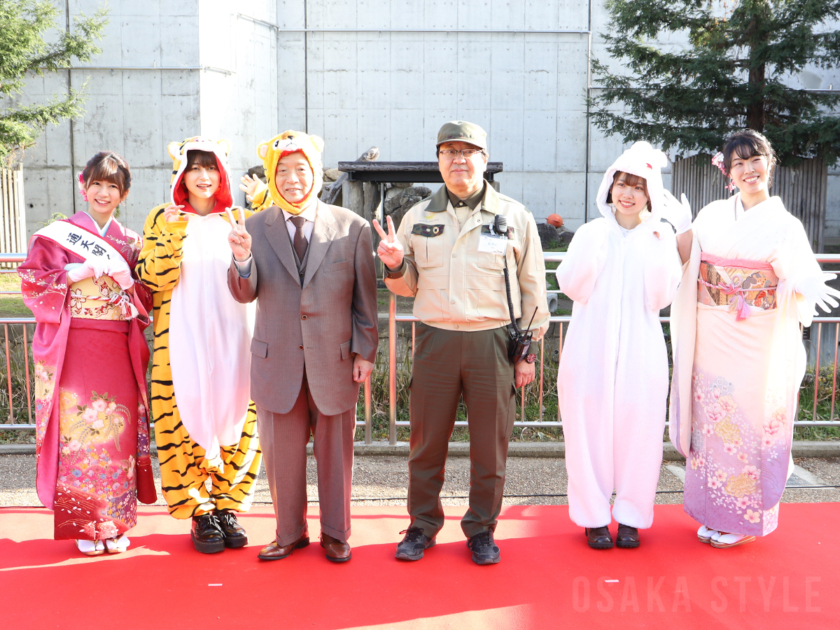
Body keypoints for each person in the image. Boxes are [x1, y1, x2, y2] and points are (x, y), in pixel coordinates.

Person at [375, 121, 550, 565]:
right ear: (438, 161)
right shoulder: (418, 217)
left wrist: (527, 353)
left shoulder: (513, 216)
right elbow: (406, 287)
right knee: (426, 442)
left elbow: (533, 287)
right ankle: (422, 525)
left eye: (468, 152)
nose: (458, 160)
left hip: (492, 342)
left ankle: (481, 530)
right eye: (449, 152)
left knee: (490, 445)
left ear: (484, 160)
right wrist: (395, 265)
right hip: (436, 339)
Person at [669, 129, 840, 548]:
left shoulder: (785, 224)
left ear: (769, 164)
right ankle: (712, 511)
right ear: (728, 172)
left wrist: (798, 281)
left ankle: (743, 520)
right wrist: (676, 230)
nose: (748, 170)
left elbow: (800, 282)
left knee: (748, 423)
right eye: (739, 163)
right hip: (711, 329)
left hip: (757, 338)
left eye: (755, 159)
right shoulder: (712, 213)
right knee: (711, 421)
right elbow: (687, 261)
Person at [227, 130, 378, 563]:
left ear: (316, 173)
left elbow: (364, 300)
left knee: (336, 455)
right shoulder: (252, 228)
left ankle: (337, 532)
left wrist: (366, 351)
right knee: (282, 457)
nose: (293, 179)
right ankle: (289, 532)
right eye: (283, 171)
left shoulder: (352, 227)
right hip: (277, 363)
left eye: (301, 169)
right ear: (272, 178)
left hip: (335, 360)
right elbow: (244, 292)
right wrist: (241, 259)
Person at [19, 151, 155, 556]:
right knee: (79, 437)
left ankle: (114, 524)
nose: (103, 192)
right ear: (83, 185)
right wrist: (71, 275)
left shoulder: (131, 242)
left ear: (123, 194)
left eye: (113, 186)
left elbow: (147, 298)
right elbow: (32, 283)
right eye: (97, 184)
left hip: (117, 348)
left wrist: (129, 281)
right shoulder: (56, 235)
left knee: (118, 436)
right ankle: (84, 523)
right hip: (75, 345)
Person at [136, 137, 263, 554]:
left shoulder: (240, 216)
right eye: (195, 168)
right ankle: (198, 511)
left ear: (222, 173)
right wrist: (171, 235)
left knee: (239, 415)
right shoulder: (162, 217)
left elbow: (264, 273)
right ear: (181, 175)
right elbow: (153, 280)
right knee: (183, 417)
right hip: (181, 340)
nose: (204, 177)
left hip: (237, 336)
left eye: (211, 168)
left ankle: (228, 506)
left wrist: (265, 208)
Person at [556, 142, 683, 549]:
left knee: (640, 431)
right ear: (610, 186)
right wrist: (593, 250)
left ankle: (631, 516)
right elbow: (572, 287)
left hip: (641, 350)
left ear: (651, 193)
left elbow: (660, 298)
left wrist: (665, 245)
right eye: (621, 183)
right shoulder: (591, 232)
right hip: (588, 346)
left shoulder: (659, 235)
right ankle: (593, 517)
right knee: (585, 428)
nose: (627, 193)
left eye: (638, 187)